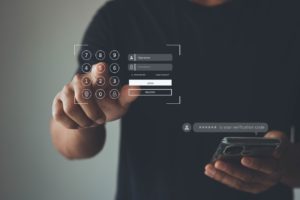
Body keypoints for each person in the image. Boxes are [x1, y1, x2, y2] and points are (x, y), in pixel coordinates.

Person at [50, 0, 300, 199]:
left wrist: (284, 165)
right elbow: (69, 146)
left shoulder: (291, 16)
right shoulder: (121, 15)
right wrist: (85, 116)